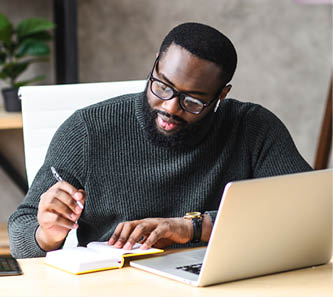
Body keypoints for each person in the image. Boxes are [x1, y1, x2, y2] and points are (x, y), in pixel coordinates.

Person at [8, 22, 312, 258]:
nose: (169, 107)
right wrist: (47, 234)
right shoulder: (87, 130)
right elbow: (21, 233)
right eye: (162, 86)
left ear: (222, 94)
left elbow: (307, 211)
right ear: (155, 64)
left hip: (219, 282)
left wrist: (191, 227)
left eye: (193, 101)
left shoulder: (252, 128)